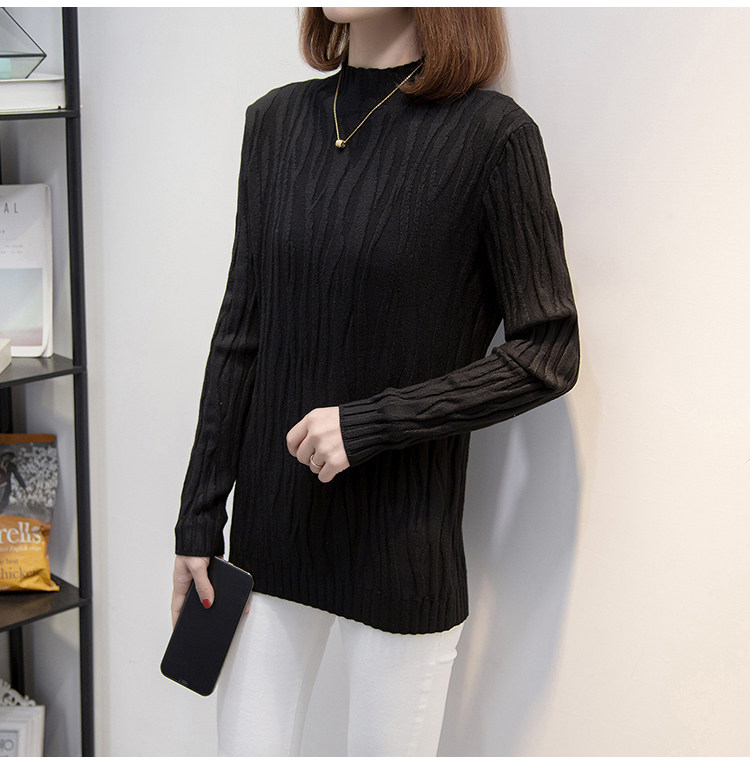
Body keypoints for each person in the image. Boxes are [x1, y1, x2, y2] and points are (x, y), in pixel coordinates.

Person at [170, 6, 580, 757]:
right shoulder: (275, 124)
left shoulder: (493, 138)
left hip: (402, 548)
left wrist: (368, 424)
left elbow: (547, 351)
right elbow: (241, 334)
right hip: (270, 537)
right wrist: (198, 517)